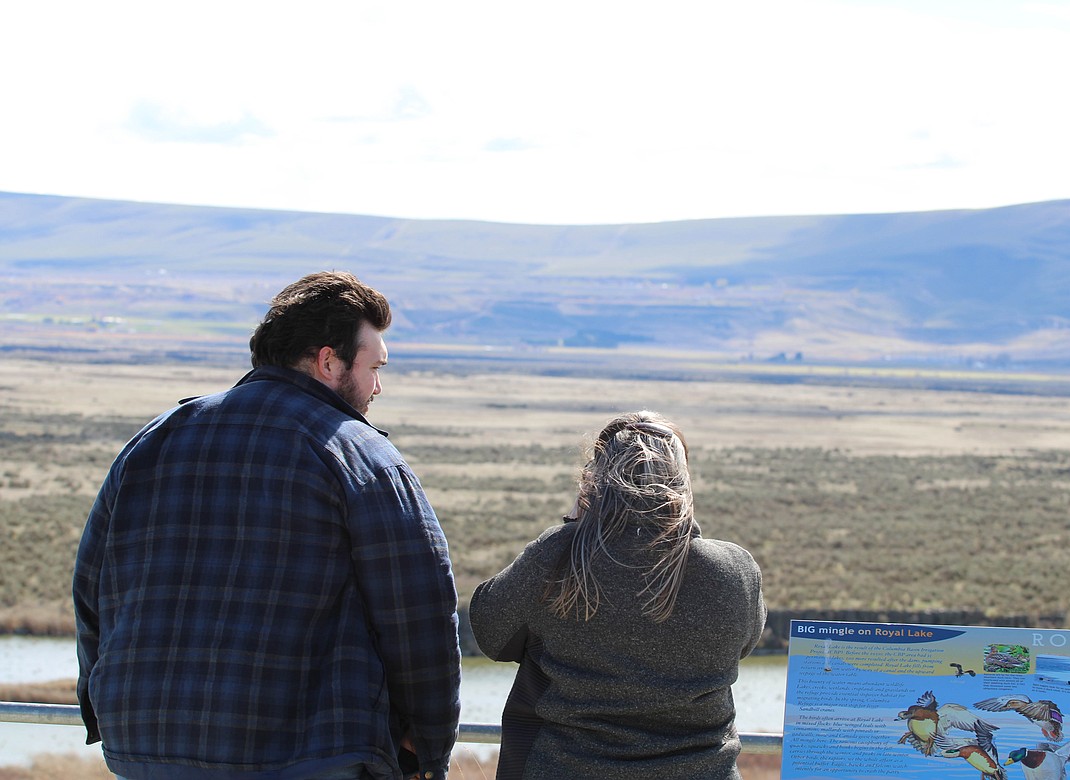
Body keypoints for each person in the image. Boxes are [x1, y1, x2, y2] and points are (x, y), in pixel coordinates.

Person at [74, 271, 461, 780]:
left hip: (146, 746)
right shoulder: (360, 456)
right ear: (328, 361)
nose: (377, 386)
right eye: (374, 366)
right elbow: (419, 612)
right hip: (305, 754)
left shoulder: (155, 439)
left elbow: (91, 588)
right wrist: (426, 752)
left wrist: (101, 705)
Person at [470, 410, 767, 779]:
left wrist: (575, 526)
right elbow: (741, 646)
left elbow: (491, 634)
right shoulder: (734, 571)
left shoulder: (560, 555)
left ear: (593, 482)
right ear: (682, 482)